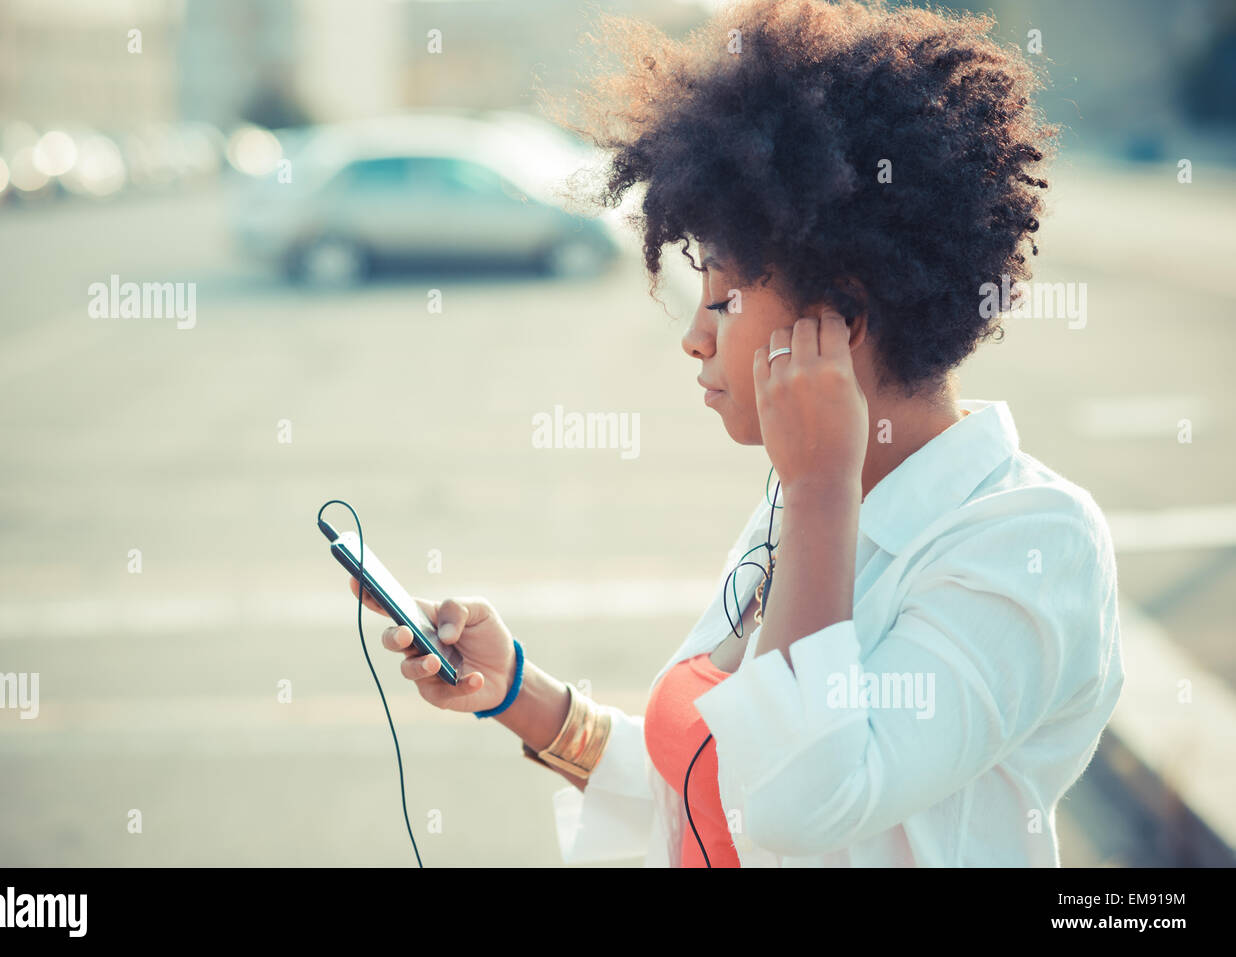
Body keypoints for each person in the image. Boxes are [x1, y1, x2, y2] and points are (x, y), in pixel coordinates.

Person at [350, 0, 1124, 866]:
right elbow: (707, 787)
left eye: (723, 298)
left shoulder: (1028, 543)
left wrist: (822, 492)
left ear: (842, 317)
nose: (695, 334)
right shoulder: (801, 505)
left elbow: (796, 807)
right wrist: (523, 696)